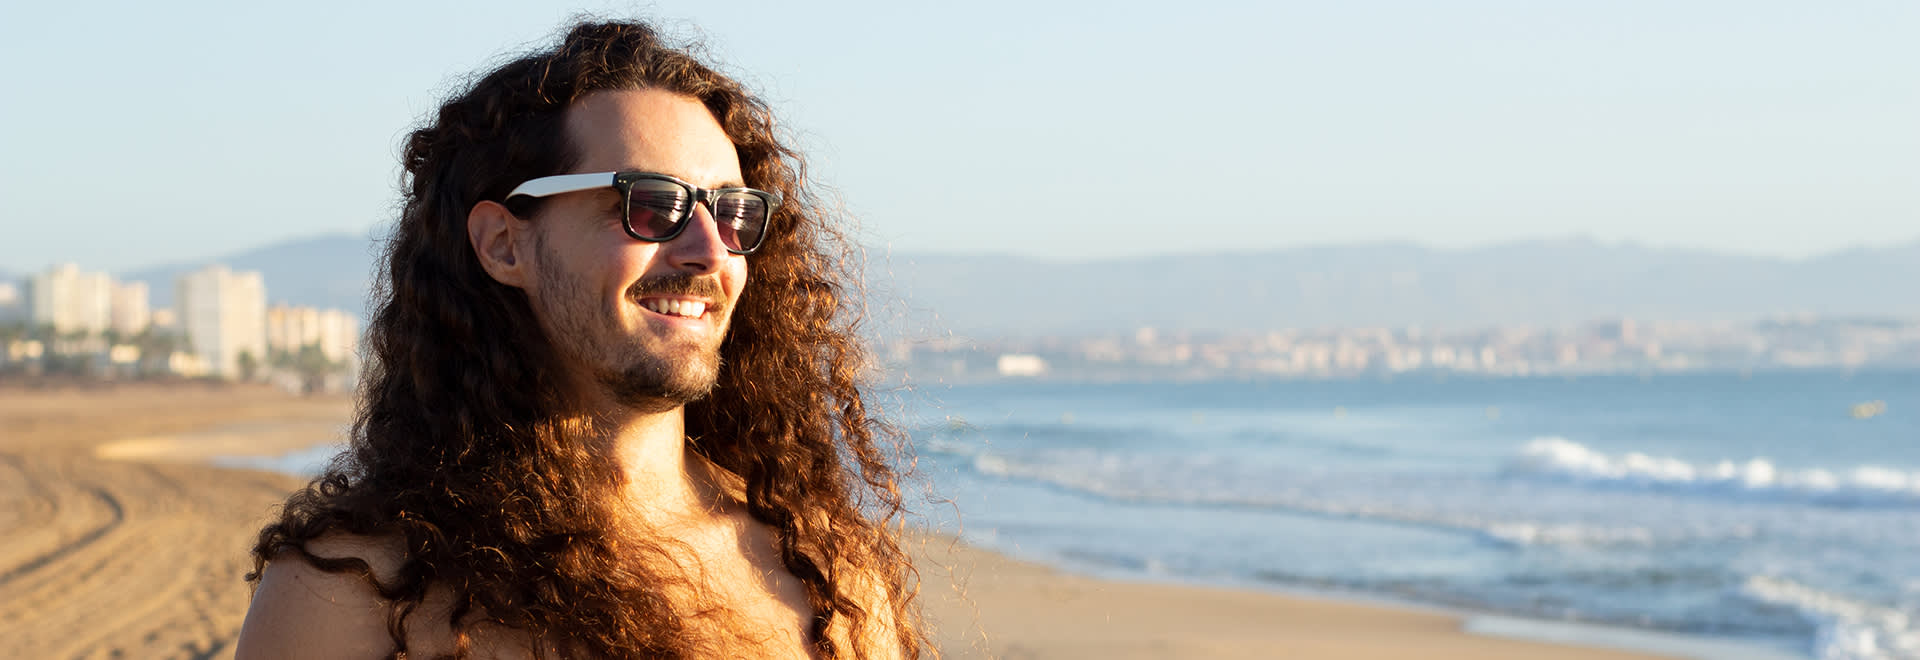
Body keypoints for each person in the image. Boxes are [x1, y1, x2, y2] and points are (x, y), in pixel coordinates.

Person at [236, 19, 926, 659]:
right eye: (652, 205)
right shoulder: (351, 593)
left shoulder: (821, 575)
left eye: (734, 213)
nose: (711, 252)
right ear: (505, 244)